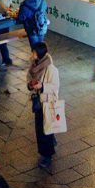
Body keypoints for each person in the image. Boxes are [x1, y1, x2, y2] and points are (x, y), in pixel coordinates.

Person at [27, 41, 59, 171]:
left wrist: (42, 86)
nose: (31, 54)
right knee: (40, 129)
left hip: (47, 103)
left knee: (45, 131)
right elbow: (28, 78)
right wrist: (30, 84)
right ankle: (49, 144)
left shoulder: (51, 69)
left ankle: (47, 156)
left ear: (38, 54)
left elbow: (55, 87)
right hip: (38, 103)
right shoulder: (33, 66)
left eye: (33, 52)